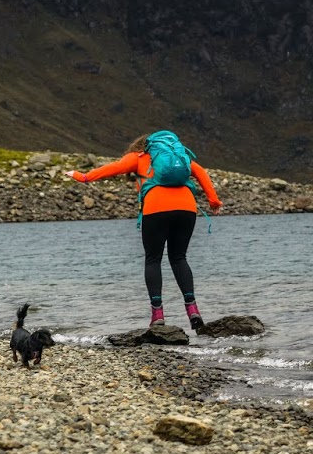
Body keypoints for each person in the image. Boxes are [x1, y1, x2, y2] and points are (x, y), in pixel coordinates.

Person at [69, 133, 222, 332]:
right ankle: (193, 312)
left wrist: (84, 177)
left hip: (156, 209)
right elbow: (201, 173)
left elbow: (113, 168)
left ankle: (158, 316)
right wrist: (213, 201)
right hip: (186, 209)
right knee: (179, 258)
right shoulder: (181, 157)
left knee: (153, 259)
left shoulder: (139, 157)